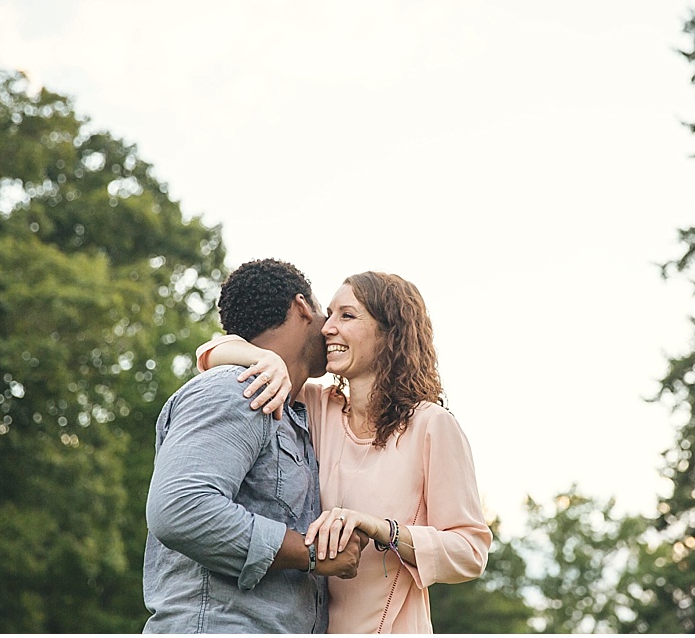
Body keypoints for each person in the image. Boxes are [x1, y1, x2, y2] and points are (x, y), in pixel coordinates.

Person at [197, 271, 492, 633]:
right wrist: (265, 358)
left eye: (347, 316)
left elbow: (471, 551)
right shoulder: (317, 406)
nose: (327, 327)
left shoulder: (432, 426)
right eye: (330, 313)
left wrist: (382, 529)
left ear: (390, 333)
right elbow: (210, 353)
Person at [143, 259, 367, 634]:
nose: (330, 329)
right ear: (301, 308)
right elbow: (179, 508)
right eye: (327, 314)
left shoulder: (298, 413)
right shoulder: (235, 390)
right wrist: (311, 553)